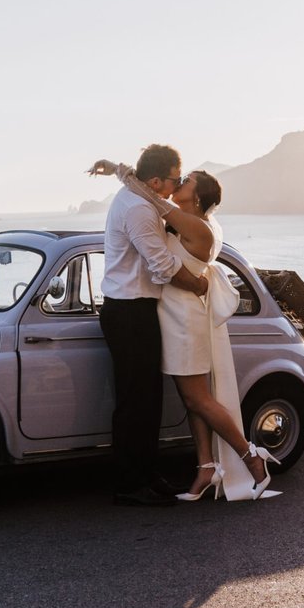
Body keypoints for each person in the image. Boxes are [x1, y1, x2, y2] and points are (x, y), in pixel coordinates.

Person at [90, 159, 279, 501]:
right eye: (179, 177)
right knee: (190, 398)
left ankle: (252, 458)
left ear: (197, 196)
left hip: (184, 319)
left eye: (187, 180)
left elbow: (152, 197)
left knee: (196, 398)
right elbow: (148, 192)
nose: (180, 182)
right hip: (170, 316)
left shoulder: (198, 228)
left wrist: (123, 173)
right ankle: (206, 468)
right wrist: (118, 169)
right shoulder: (185, 221)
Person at [94, 144, 209, 507]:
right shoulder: (139, 209)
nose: (176, 185)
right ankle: (130, 483)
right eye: (175, 178)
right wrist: (199, 284)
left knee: (148, 398)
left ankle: (146, 473)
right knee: (134, 400)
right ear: (156, 180)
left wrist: (114, 166)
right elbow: (162, 266)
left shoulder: (138, 193)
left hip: (137, 310)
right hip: (128, 311)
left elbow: (129, 174)